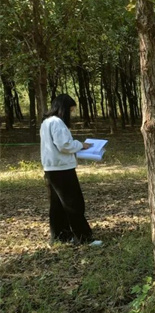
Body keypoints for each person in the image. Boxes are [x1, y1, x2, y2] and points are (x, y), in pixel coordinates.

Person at [40, 94, 99, 245]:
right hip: (62, 169)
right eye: (70, 110)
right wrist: (81, 145)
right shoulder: (57, 122)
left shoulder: (46, 122)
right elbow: (64, 145)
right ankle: (84, 237)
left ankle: (61, 235)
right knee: (74, 203)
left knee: (58, 205)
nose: (71, 114)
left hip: (51, 168)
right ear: (64, 109)